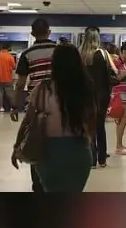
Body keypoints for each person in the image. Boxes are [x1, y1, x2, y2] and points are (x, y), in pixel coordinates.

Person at [11, 45, 96, 192]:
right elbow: (92, 120)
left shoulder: (42, 89)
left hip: (49, 154)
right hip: (79, 152)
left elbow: (28, 121)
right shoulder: (85, 89)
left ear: (54, 64)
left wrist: (17, 147)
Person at [14, 18, 56, 192]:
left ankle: (38, 185)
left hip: (35, 105)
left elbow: (20, 84)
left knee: (35, 142)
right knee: (55, 142)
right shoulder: (59, 51)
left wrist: (14, 105)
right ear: (49, 31)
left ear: (32, 34)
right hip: (58, 104)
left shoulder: (27, 54)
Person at [80, 27, 115, 168]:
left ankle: (91, 159)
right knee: (100, 126)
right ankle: (102, 159)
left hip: (85, 95)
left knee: (89, 127)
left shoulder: (80, 55)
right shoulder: (103, 53)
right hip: (102, 94)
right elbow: (109, 75)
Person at [108, 44, 126, 156]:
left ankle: (120, 144)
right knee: (124, 117)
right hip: (119, 93)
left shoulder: (125, 63)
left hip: (124, 92)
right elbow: (115, 77)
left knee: (121, 119)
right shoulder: (117, 62)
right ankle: (118, 146)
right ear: (123, 52)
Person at [0, 44, 16, 114]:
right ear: (8, 48)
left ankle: (1, 108)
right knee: (10, 93)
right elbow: (14, 67)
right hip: (8, 78)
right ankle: (12, 107)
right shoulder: (10, 56)